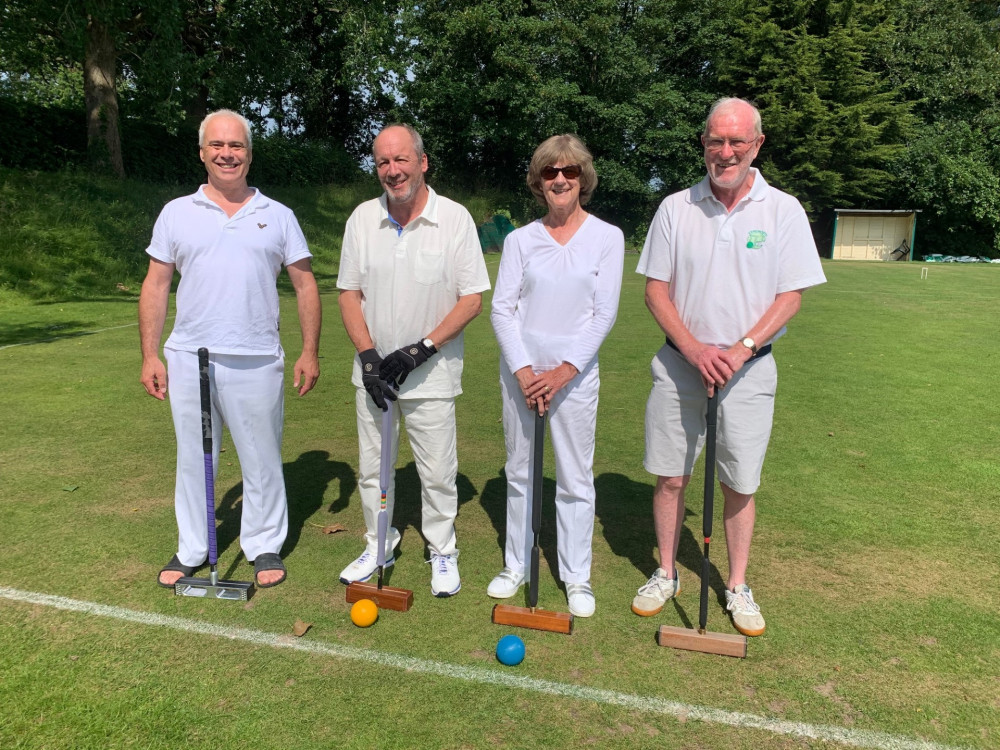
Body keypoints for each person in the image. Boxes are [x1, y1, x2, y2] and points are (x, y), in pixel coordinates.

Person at [632, 98, 826, 635]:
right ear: (703, 143)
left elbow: (790, 296)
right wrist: (695, 350)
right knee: (671, 475)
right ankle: (666, 571)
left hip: (749, 368)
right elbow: (656, 290)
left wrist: (739, 349)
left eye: (736, 142)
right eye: (715, 141)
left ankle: (737, 584)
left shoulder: (782, 209)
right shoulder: (676, 207)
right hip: (680, 365)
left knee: (740, 482)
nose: (725, 152)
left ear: (757, 144)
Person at [140, 109, 321, 590]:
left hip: (257, 357)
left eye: (236, 146)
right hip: (188, 356)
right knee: (195, 459)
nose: (227, 154)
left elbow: (305, 285)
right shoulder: (177, 212)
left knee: (262, 457)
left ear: (249, 153)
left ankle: (263, 544)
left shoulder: (278, 215)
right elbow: (156, 285)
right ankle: (193, 547)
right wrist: (150, 354)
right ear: (202, 153)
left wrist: (309, 352)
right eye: (217, 146)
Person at [336, 124, 490, 597]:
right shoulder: (363, 218)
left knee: (438, 472)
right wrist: (367, 356)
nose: (392, 170)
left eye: (401, 160)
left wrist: (420, 349)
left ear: (423, 163)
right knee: (370, 468)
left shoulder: (456, 218)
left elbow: (471, 299)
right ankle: (378, 543)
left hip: (433, 376)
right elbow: (348, 292)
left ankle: (442, 550)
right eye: (383, 162)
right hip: (376, 376)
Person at [489, 135, 624, 617]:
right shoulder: (520, 240)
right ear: (538, 181)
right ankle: (516, 564)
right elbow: (502, 310)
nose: (560, 179)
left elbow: (603, 314)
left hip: (575, 376)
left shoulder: (607, 237)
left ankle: (576, 576)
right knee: (521, 472)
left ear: (583, 178)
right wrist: (525, 371)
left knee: (573, 477)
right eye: (550, 173)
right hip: (522, 374)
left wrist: (565, 371)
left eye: (569, 171)